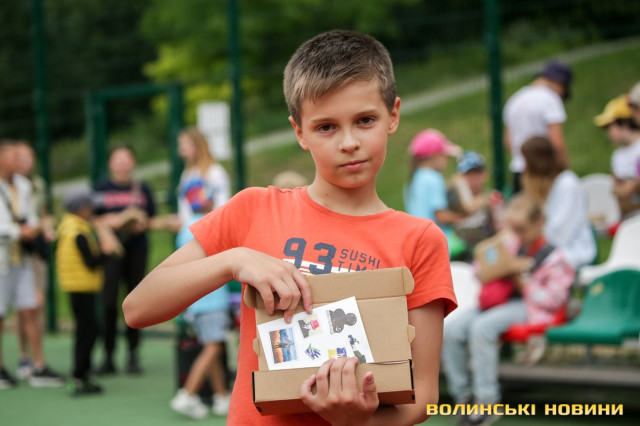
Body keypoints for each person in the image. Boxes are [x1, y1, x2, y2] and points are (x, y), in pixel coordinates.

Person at [123, 30, 457, 425]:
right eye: (326, 127)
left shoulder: (420, 240)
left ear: (393, 115)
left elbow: (424, 395)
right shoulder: (253, 209)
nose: (349, 142)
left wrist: (358, 421)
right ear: (299, 131)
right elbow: (137, 308)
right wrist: (233, 260)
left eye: (365, 120)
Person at [442, 194, 575, 426]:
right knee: (451, 330)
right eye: (513, 228)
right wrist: (492, 265)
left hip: (529, 307)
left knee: (481, 328)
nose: (517, 234)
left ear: (538, 222)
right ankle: (463, 397)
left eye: (521, 229)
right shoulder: (510, 243)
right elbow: (478, 270)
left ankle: (487, 402)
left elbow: (553, 300)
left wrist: (522, 283)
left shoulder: (556, 258)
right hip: (496, 302)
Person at [169, 128, 232, 418]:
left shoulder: (215, 173)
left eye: (184, 144)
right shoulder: (188, 175)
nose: (181, 150)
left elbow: (223, 212)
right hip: (203, 273)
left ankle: (221, 396)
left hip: (204, 265)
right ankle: (188, 393)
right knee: (214, 341)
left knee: (211, 340)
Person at [0, 139, 64, 389]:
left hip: (23, 258)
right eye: (13, 157)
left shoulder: (24, 185)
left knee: (30, 308)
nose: (19, 162)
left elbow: (31, 217)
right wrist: (19, 232)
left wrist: (38, 228)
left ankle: (38, 366)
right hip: (3, 260)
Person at [93, 145, 156, 375]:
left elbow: (152, 217)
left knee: (135, 301)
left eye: (126, 159)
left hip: (137, 251)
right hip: (111, 253)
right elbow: (92, 218)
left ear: (133, 162)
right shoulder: (101, 188)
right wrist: (110, 221)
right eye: (117, 159)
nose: (122, 163)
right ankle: (108, 355)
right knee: (109, 303)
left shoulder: (142, 188)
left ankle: (133, 355)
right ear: (110, 163)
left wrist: (140, 223)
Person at [56, 190, 107, 395]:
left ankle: (82, 373)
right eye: (88, 206)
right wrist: (105, 252)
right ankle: (79, 375)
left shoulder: (67, 228)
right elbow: (91, 262)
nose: (91, 210)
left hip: (76, 286)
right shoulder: (78, 232)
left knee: (85, 331)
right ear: (80, 209)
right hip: (82, 287)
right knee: (88, 332)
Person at [13, 141, 55, 380]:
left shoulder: (38, 184)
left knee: (36, 304)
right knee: (23, 308)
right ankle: (24, 356)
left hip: (36, 251)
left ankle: (39, 361)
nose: (25, 162)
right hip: (14, 252)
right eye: (20, 157)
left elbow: (43, 214)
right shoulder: (7, 186)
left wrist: (46, 228)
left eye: (29, 157)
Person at [521, 136, 596, 269]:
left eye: (526, 161)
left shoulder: (568, 184)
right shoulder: (545, 185)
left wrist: (531, 234)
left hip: (572, 251)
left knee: (528, 265)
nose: (524, 168)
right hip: (547, 248)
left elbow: (559, 234)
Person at [503, 61, 573, 193]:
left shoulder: (514, 100)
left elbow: (508, 142)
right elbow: (557, 143)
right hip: (543, 174)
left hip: (519, 172)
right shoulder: (550, 98)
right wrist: (566, 172)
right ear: (560, 83)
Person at [405, 128, 466, 257]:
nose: (446, 160)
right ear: (434, 156)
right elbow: (441, 216)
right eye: (444, 155)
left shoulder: (412, 180)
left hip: (419, 244)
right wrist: (463, 217)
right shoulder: (433, 178)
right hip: (439, 245)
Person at [594, 95, 640, 219]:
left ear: (624, 122)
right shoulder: (617, 155)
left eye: (609, 126)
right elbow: (616, 188)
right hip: (627, 214)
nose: (607, 133)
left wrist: (630, 186)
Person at [446, 151, 498, 259]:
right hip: (459, 251)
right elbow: (467, 207)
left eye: (477, 173)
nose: (473, 178)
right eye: (468, 174)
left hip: (485, 250)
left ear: (484, 175)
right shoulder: (451, 198)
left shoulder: (492, 198)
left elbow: (500, 230)